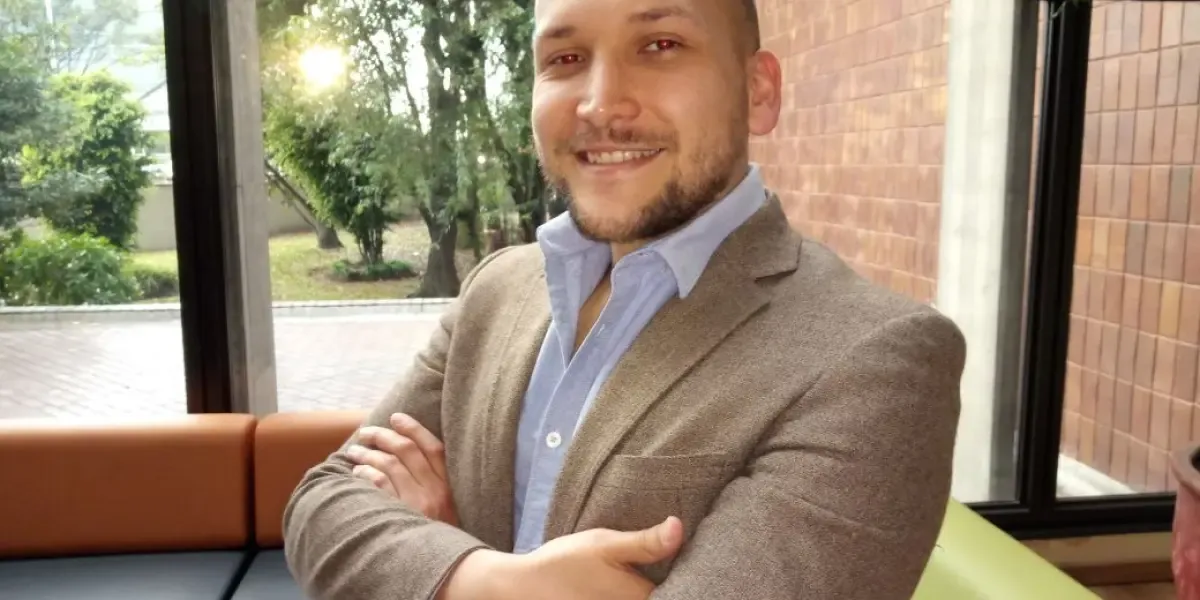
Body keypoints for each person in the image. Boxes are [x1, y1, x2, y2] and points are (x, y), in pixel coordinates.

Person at [282, 0, 967, 597]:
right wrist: (478, 578)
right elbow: (321, 504)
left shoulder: (873, 358)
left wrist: (423, 558)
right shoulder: (497, 289)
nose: (600, 104)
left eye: (660, 45)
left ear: (757, 91)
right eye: (566, 58)